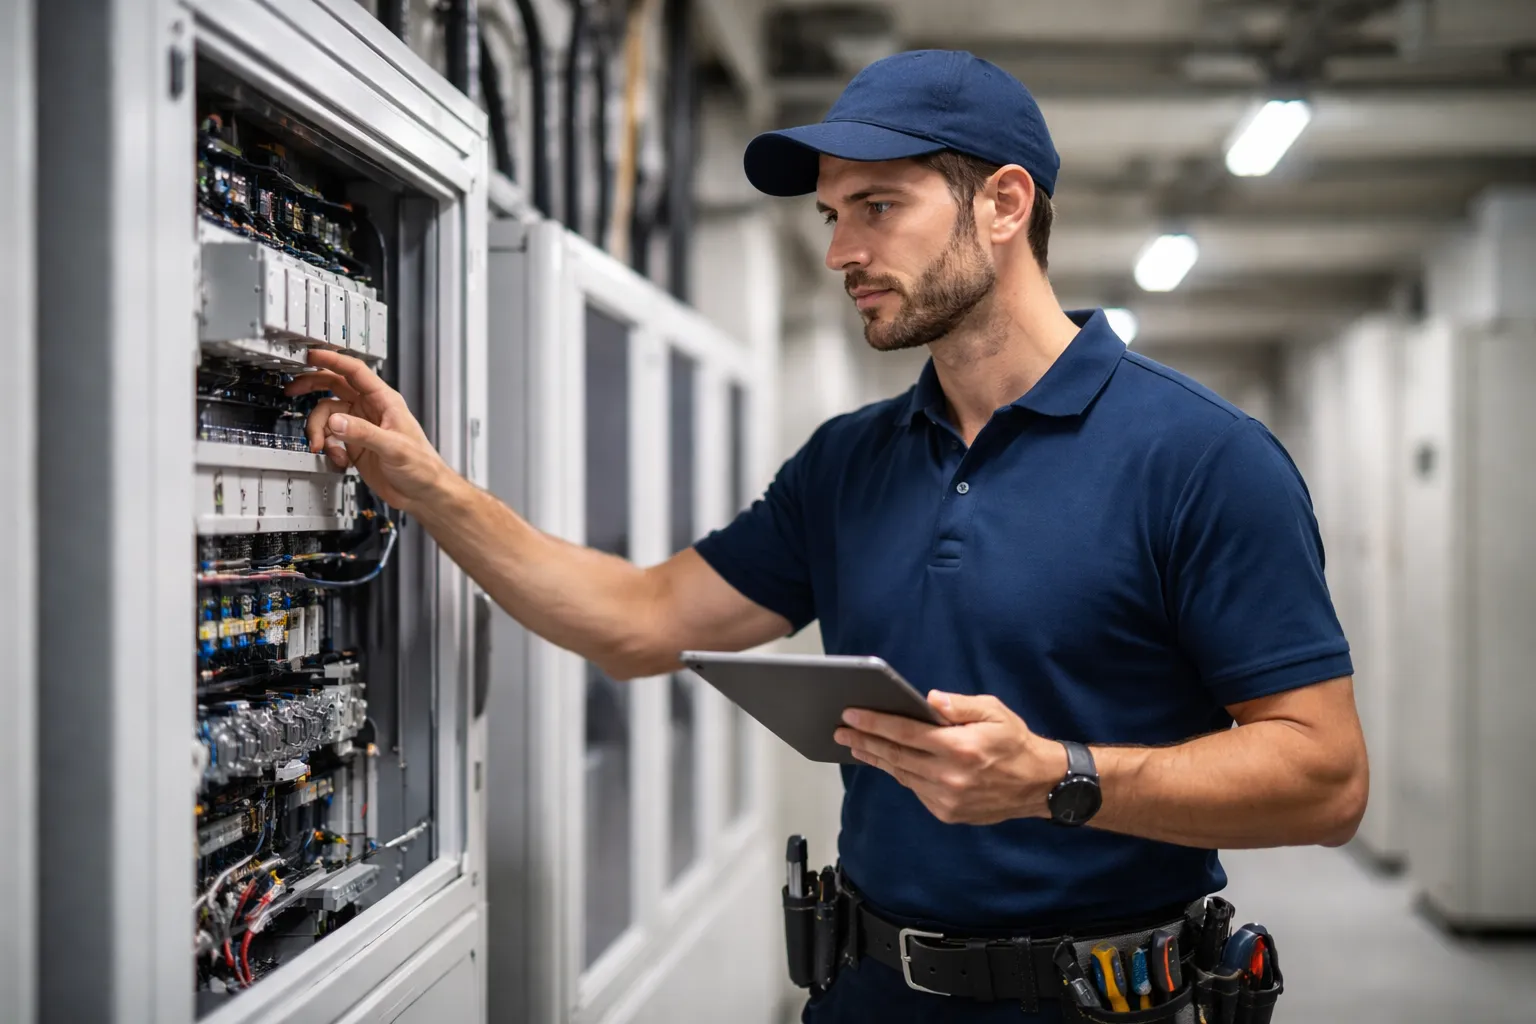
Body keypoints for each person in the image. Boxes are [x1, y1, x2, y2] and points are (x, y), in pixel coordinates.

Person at [288, 49, 1368, 1024]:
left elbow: (1325, 777)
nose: (841, 249)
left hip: (1103, 1006)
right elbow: (638, 621)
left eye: (879, 206)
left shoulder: (1201, 457)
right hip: (868, 994)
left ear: (1003, 203)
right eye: (831, 217)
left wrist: (1059, 777)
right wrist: (429, 488)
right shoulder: (848, 463)